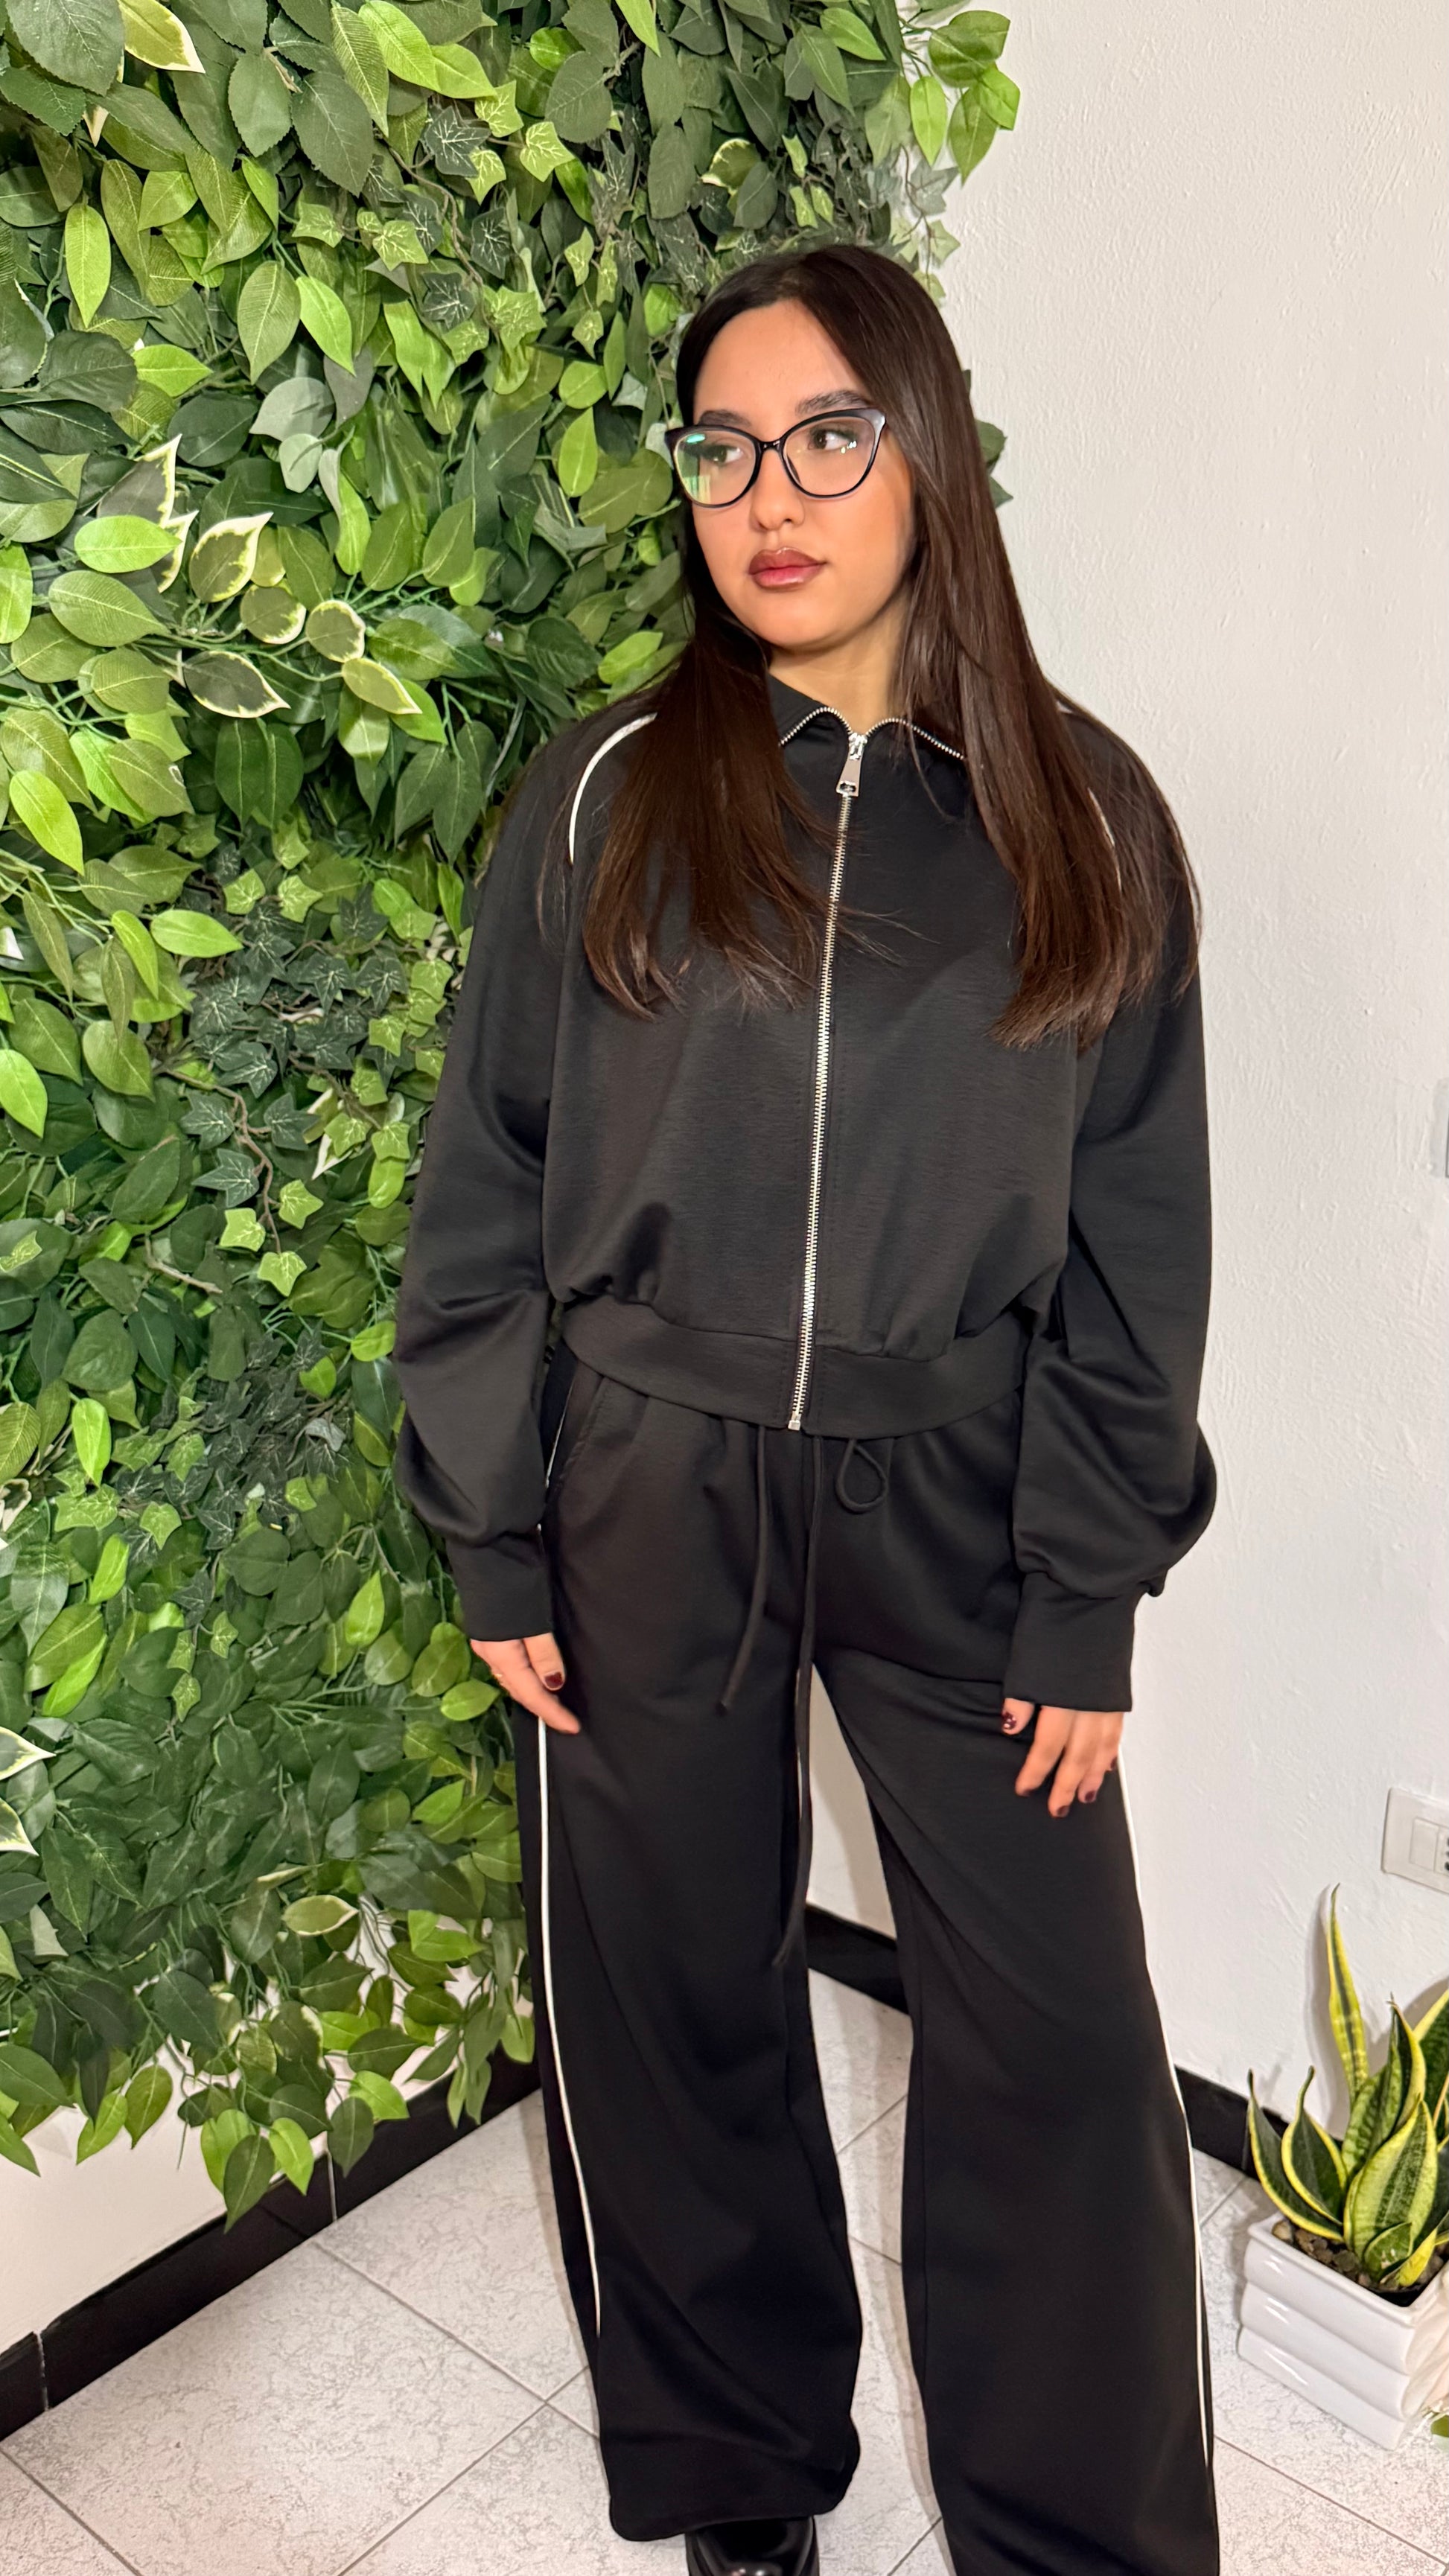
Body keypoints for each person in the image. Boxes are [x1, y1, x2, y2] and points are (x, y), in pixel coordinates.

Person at [392, 243, 1219, 2576]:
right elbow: (491, 1176)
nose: (769, 495)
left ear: (926, 454)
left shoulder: (1083, 816)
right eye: (723, 446)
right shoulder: (605, 795)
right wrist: (492, 1515)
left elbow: (1135, 1236)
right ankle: (742, 2487)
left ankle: (1076, 2540)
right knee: (667, 2008)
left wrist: (1083, 1584)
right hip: (643, 1480)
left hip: (961, 1484)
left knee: (1058, 2047)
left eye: (828, 434)